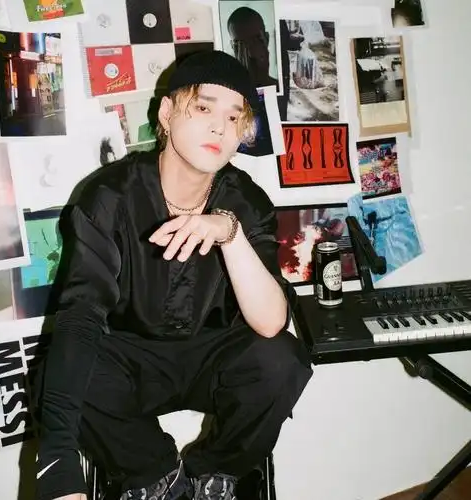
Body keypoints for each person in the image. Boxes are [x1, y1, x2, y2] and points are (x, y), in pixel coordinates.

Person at [35, 50, 312, 500]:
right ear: (166, 113)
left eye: (233, 116)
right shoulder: (109, 197)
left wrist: (229, 232)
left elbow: (270, 323)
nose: (219, 127)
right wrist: (57, 458)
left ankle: (214, 473)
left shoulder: (247, 201)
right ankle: (156, 477)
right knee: (63, 367)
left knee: (281, 359)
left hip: (213, 357)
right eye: (203, 108)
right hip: (131, 360)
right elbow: (80, 316)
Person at [226, 7, 278, 89]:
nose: (249, 52)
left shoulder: (281, 88)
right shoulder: (225, 90)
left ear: (267, 39)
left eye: (255, 40)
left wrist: (263, 79)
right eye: (240, 44)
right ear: (233, 47)